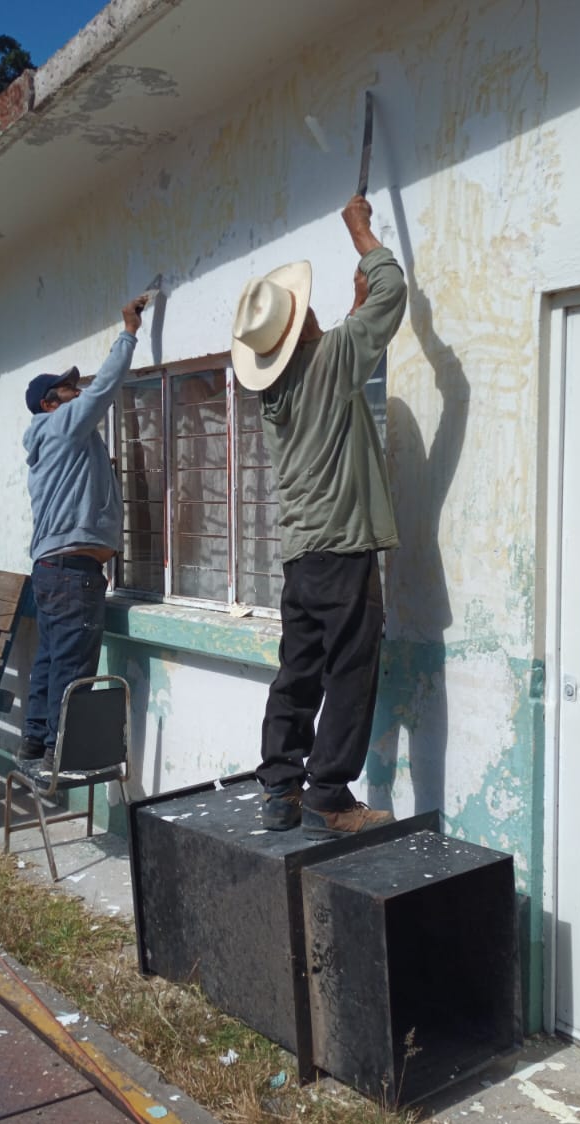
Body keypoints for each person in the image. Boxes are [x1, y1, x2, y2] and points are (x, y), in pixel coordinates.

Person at [230, 194, 407, 839]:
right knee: (351, 672)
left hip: (302, 558)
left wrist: (350, 313)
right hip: (344, 550)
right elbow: (391, 291)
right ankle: (329, 796)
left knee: (299, 671)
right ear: (303, 319)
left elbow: (334, 355)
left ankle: (281, 789)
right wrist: (362, 233)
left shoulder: (277, 391)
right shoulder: (333, 359)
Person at [19, 293, 149, 767]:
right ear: (51, 404)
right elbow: (106, 387)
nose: (80, 392)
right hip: (71, 573)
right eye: (70, 390)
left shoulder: (54, 442)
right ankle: (60, 754)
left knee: (52, 661)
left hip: (55, 572)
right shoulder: (62, 425)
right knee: (73, 670)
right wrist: (129, 333)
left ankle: (35, 741)